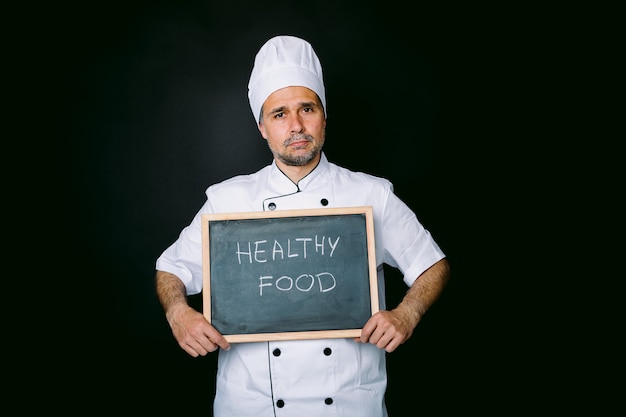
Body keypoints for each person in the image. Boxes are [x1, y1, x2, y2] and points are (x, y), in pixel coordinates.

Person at [155, 34, 450, 416]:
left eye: (306, 109)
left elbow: (432, 265)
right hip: (251, 409)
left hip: (349, 407)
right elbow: (170, 270)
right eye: (279, 114)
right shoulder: (227, 202)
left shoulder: (371, 194)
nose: (296, 126)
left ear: (324, 115)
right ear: (262, 127)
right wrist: (179, 313)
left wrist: (406, 314)